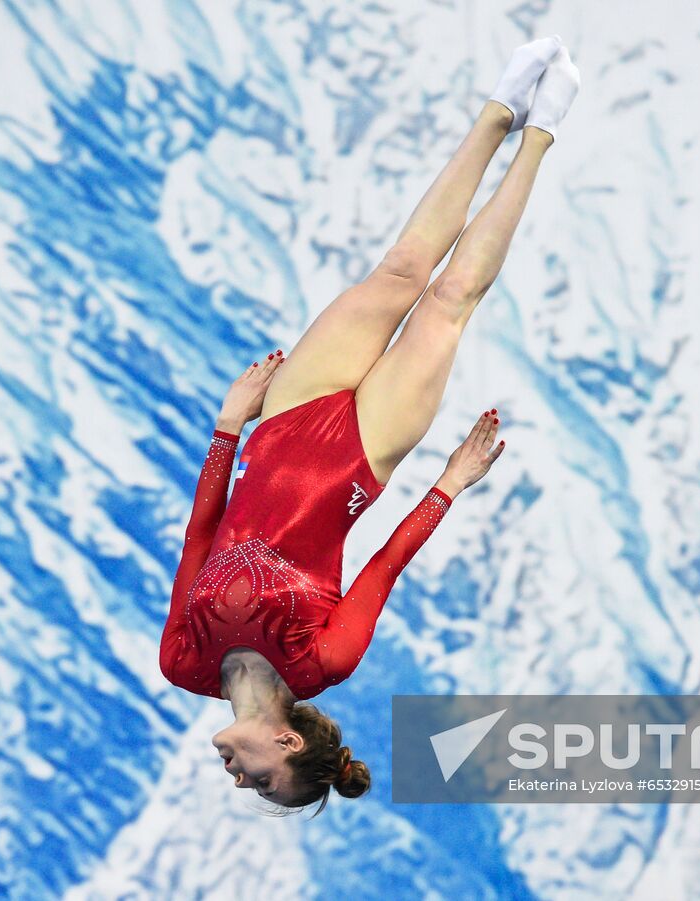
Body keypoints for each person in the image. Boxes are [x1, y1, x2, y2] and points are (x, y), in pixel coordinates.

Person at [159, 36, 582, 813]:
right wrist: (449, 483)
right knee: (449, 298)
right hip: (361, 455)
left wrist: (227, 427)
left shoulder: (182, 660)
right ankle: (541, 135)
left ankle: (500, 111)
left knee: (397, 269)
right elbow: (383, 565)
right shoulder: (322, 663)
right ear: (287, 742)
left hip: (283, 418)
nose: (237, 775)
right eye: (260, 779)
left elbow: (200, 535)